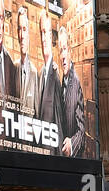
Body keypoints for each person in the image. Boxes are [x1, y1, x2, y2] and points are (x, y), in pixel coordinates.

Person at [59, 24, 86, 157]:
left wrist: (72, 144)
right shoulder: (63, 81)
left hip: (72, 159)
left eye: (64, 49)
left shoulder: (74, 82)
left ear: (70, 52)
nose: (63, 56)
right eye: (60, 51)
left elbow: (81, 131)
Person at [37, 10, 61, 129]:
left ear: (51, 36)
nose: (43, 38)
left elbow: (60, 121)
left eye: (46, 32)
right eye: (41, 32)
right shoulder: (41, 73)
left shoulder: (56, 72)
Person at [14, 5, 38, 115]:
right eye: (20, 29)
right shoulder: (13, 68)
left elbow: (37, 114)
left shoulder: (34, 73)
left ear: (28, 33)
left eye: (25, 29)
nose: (22, 35)